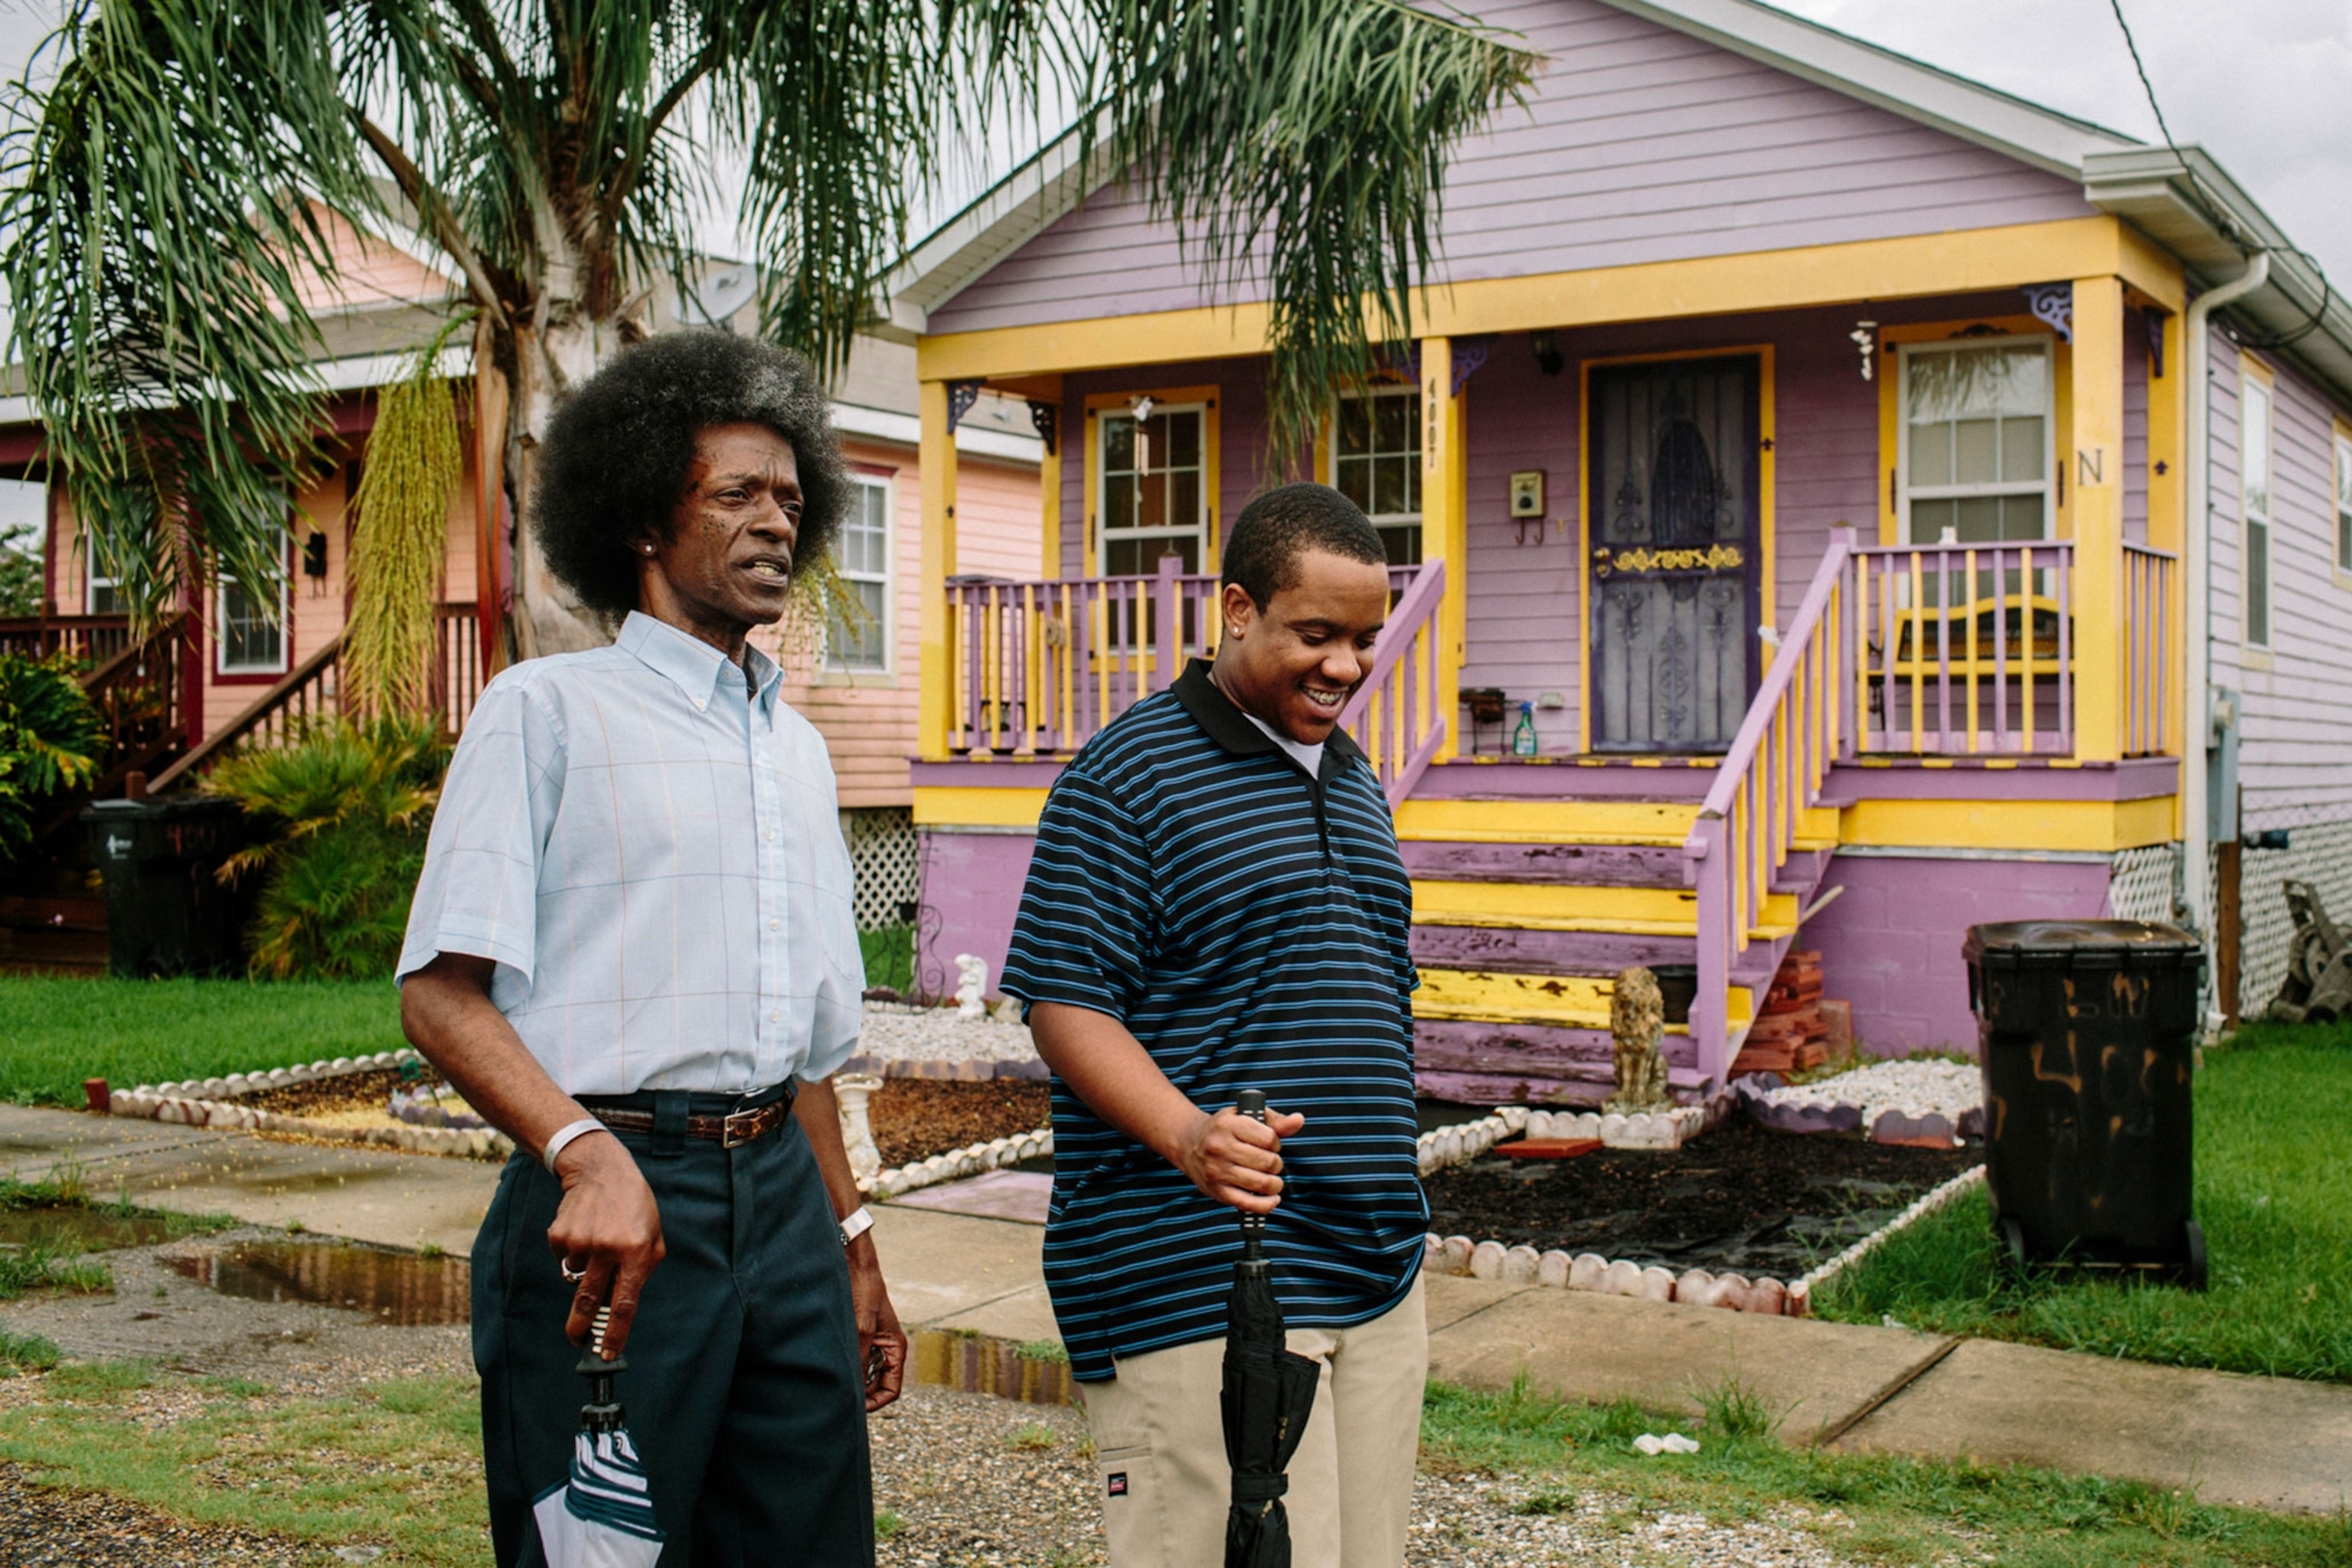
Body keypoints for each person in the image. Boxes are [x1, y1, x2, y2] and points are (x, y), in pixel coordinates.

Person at [397, 331, 904, 1567]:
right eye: (735, 494)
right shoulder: (544, 713)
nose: (775, 520)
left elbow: (804, 1054)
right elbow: (441, 994)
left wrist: (850, 1246)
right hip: (609, 1215)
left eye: (791, 499)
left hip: (784, 1211)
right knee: (607, 1552)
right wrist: (584, 1155)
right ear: (638, 519)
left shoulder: (799, 752)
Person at [1001, 482, 1429, 1568]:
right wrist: (1189, 1133)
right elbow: (1064, 1003)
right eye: (1316, 635)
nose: (1345, 666)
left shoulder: (1352, 776)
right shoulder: (1127, 776)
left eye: (1364, 639)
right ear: (1238, 609)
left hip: (1375, 1265)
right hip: (1201, 1275)